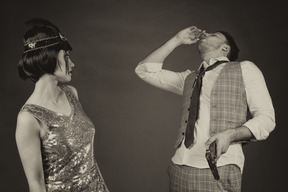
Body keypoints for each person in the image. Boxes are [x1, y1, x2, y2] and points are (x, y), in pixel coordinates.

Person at [135, 26, 275, 191]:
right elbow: (144, 71)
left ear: (225, 48)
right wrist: (177, 39)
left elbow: (267, 119)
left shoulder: (245, 69)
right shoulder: (188, 78)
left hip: (219, 167)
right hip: (179, 166)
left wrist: (230, 135)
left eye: (213, 34)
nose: (205, 34)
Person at [15, 18, 109, 192]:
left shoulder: (71, 93)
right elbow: (36, 183)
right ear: (47, 57)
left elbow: (89, 160)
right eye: (66, 56)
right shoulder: (28, 118)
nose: (72, 63)